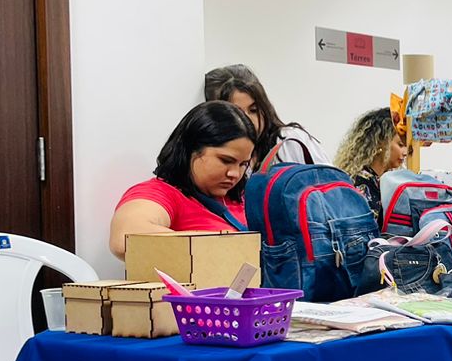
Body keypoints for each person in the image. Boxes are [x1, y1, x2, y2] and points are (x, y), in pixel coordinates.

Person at [109, 101, 254, 258]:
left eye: (243, 164)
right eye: (226, 160)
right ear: (191, 149)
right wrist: (226, 244)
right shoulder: (161, 193)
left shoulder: (242, 196)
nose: (235, 173)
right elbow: (125, 239)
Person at [204, 64, 325, 171]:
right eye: (237, 113)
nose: (248, 121)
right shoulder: (219, 158)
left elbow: (331, 183)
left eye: (254, 110)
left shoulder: (290, 141)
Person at [333, 107, 408, 225]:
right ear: (380, 142)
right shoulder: (362, 182)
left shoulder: (379, 180)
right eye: (401, 144)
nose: (405, 152)